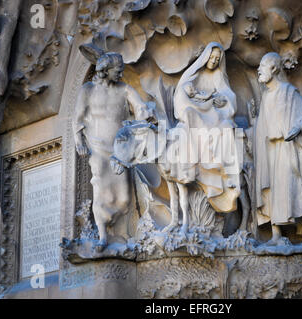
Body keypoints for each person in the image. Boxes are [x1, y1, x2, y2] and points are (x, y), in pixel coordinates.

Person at [74, 52, 155, 250]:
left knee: (124, 197)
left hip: (121, 150)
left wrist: (145, 114)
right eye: (117, 71)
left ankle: (119, 232)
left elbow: (139, 106)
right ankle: (102, 236)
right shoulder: (88, 90)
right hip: (98, 148)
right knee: (101, 190)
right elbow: (77, 118)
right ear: (105, 71)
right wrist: (79, 141)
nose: (120, 74)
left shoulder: (124, 89)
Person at [254, 52, 302, 246]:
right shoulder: (266, 97)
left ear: (274, 69)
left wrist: (297, 129)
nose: (259, 69)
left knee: (295, 188)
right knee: (272, 190)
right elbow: (263, 127)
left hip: (288, 148)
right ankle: (275, 235)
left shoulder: (288, 91)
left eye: (263, 65)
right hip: (270, 150)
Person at [169, 42, 241, 213]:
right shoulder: (192, 75)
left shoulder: (217, 76)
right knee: (189, 115)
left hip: (213, 115)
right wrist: (201, 102)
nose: (214, 61)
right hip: (195, 113)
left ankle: (224, 171)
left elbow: (229, 97)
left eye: (218, 59)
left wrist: (222, 100)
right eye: (212, 57)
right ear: (205, 56)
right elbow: (181, 100)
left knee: (226, 127)